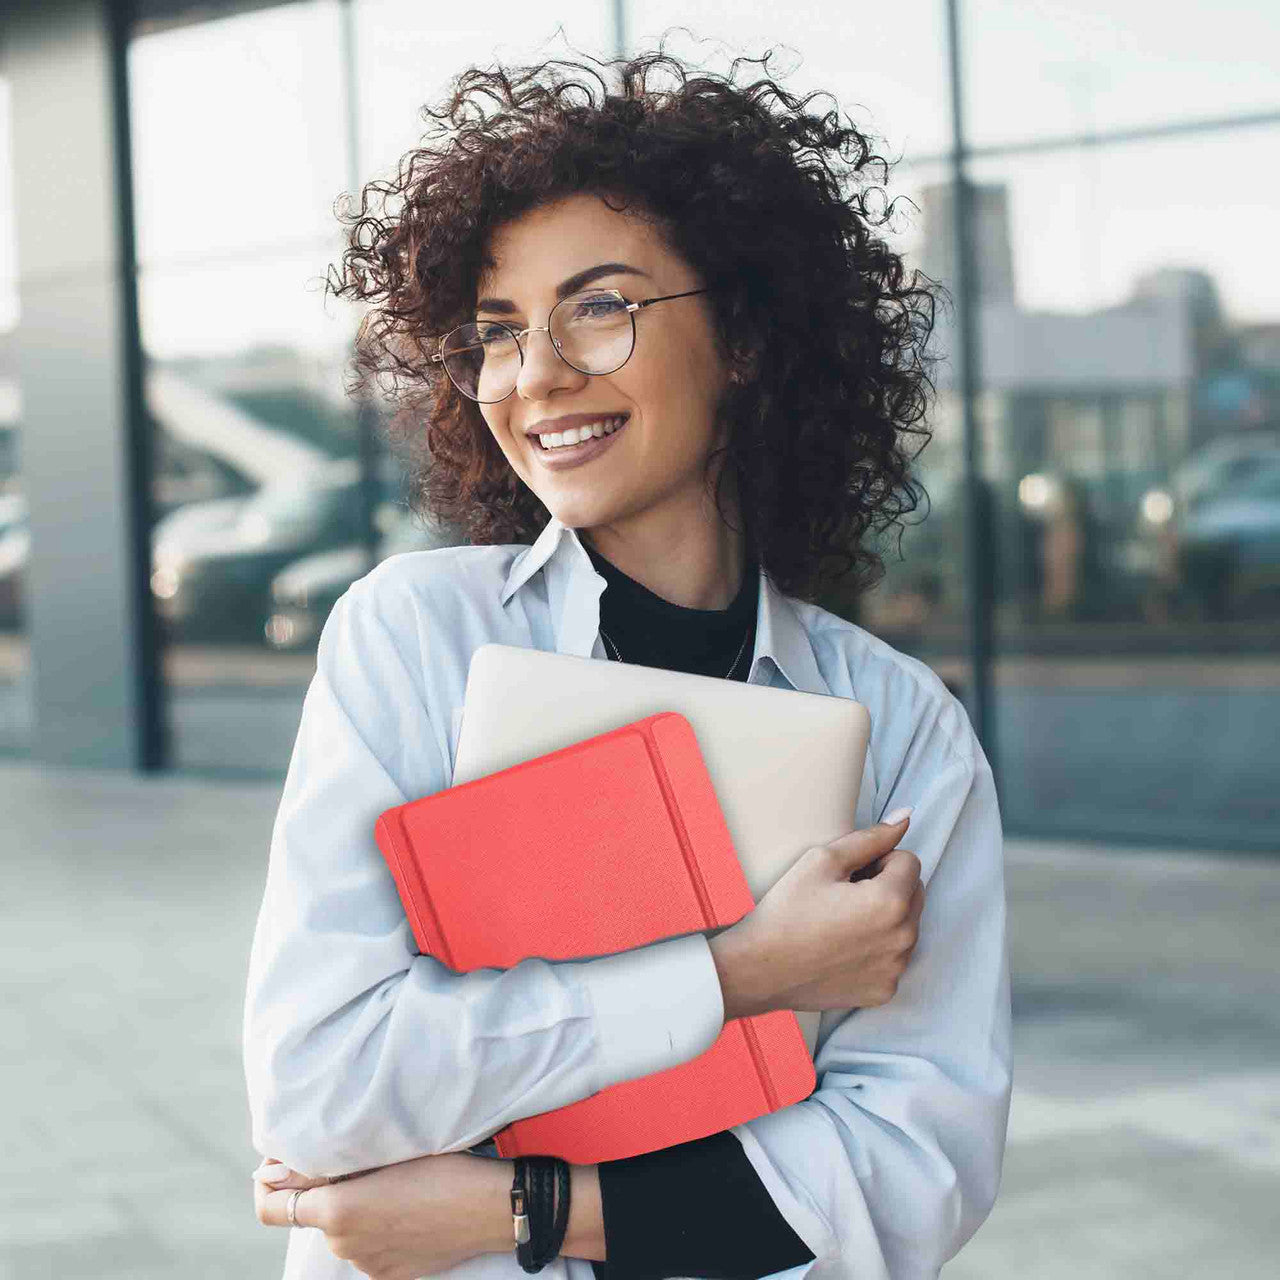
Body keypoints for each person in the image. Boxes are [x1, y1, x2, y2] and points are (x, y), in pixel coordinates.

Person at [244, 51, 1011, 1280]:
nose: (534, 372)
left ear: (746, 335)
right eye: (497, 332)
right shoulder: (414, 639)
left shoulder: (898, 725)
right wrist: (741, 971)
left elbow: (914, 1167)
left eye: (597, 306)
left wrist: (519, 1208)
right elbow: (321, 1089)